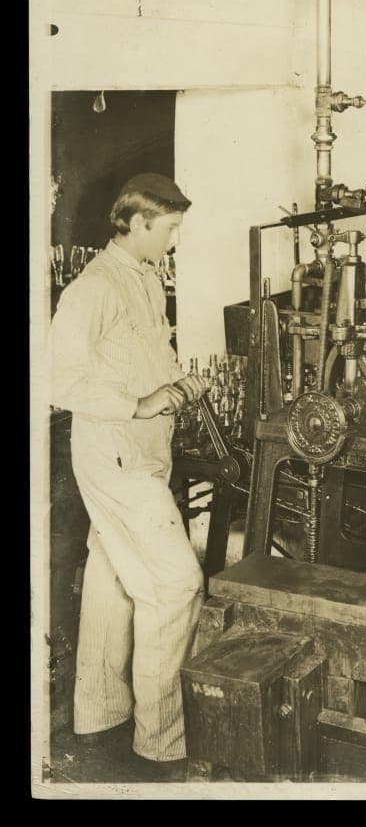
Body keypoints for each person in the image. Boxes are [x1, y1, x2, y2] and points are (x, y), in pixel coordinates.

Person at [49, 173, 208, 768]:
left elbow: (146, 357)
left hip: (142, 450)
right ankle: (162, 742)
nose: (174, 241)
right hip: (113, 452)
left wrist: (174, 385)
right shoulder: (94, 288)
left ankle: (97, 714)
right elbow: (59, 379)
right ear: (139, 224)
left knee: (114, 575)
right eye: (169, 230)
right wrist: (140, 403)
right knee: (175, 584)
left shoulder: (145, 280)